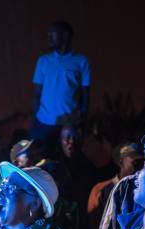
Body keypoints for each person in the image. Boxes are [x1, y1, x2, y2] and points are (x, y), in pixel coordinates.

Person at [31, 21, 91, 156]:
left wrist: (81, 122)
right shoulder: (43, 60)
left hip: (69, 123)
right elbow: (36, 93)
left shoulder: (81, 61)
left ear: (65, 35)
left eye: (52, 34)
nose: (49, 37)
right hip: (44, 122)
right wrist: (36, 118)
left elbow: (85, 95)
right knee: (41, 160)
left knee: (69, 161)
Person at [88, 143, 144, 229]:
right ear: (121, 162)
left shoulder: (144, 189)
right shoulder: (101, 189)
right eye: (135, 162)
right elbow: (94, 225)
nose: (139, 167)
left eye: (142, 162)